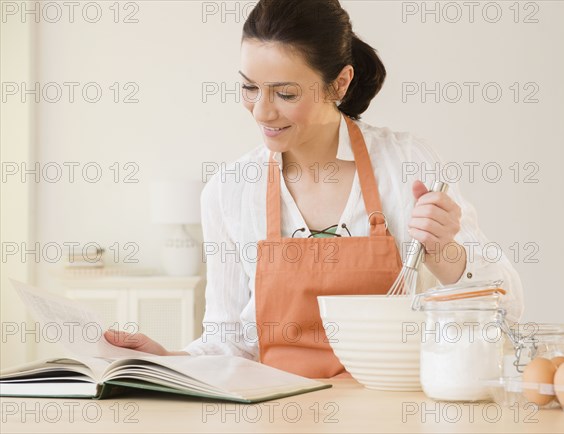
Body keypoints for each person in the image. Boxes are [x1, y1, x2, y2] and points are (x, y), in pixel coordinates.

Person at [105, 0, 524, 377]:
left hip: (390, 412)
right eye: (249, 87)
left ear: (339, 84)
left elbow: (508, 308)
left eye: (285, 93)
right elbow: (228, 343)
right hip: (276, 414)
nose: (261, 111)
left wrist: (445, 252)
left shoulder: (406, 164)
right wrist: (165, 361)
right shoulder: (229, 191)